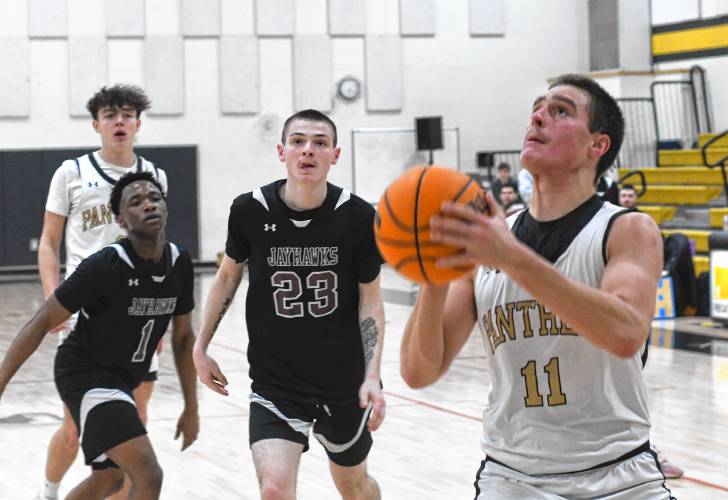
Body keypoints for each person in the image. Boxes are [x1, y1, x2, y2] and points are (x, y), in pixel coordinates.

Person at [400, 74, 674, 498]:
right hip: (512, 477)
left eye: (560, 110)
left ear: (596, 145)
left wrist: (512, 258)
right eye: (538, 108)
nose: (538, 116)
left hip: (619, 475)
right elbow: (419, 371)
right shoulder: (490, 240)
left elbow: (624, 334)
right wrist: (434, 280)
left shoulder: (626, 230)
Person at [193, 109, 386, 499]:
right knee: (274, 491)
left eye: (320, 142)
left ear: (336, 154)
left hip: (344, 381)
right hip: (276, 382)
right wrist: (201, 347)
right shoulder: (250, 210)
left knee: (354, 486)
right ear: (281, 152)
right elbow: (229, 274)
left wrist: (372, 375)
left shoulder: (359, 217)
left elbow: (371, 301)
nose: (308, 150)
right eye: (298, 141)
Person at [0, 171, 199, 500]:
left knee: (110, 479)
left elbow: (182, 339)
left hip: (122, 379)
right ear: (121, 220)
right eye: (136, 202)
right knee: (148, 474)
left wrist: (191, 408)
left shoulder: (179, 262)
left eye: (154, 197)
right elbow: (39, 322)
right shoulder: (106, 265)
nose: (148, 204)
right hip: (85, 373)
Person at [37, 83, 168, 500]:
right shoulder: (72, 172)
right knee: (74, 428)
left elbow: (158, 245)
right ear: (96, 124)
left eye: (127, 115)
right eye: (110, 115)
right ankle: (48, 490)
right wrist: (53, 300)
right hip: (85, 318)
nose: (119, 121)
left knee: (135, 422)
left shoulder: (154, 176)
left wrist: (161, 314)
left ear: (138, 124)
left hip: (138, 322)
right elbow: (47, 242)